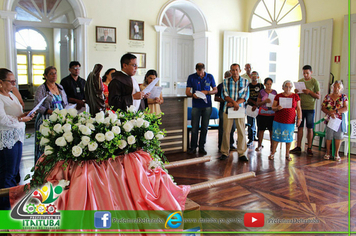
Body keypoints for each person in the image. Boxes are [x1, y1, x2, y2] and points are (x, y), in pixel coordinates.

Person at [0, 68, 35, 210]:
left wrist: (26, 114)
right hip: (6, 140)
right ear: (0, 82)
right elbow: (2, 119)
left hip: (17, 138)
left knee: (15, 173)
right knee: (7, 175)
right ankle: (5, 209)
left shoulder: (10, 95)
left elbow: (17, 113)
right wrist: (21, 119)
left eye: (14, 80)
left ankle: (14, 204)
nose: (14, 83)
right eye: (11, 81)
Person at [34, 66, 68, 163]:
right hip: (46, 118)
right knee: (45, 143)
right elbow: (38, 106)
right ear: (45, 76)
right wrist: (52, 112)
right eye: (51, 73)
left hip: (59, 118)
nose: (54, 75)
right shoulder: (41, 88)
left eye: (55, 73)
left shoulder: (60, 87)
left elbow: (64, 102)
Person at [219, 63, 249, 161]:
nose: (235, 72)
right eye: (233, 70)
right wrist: (233, 102)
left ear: (240, 71)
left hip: (239, 109)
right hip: (228, 110)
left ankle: (242, 153)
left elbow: (245, 96)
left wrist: (235, 103)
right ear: (231, 71)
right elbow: (224, 95)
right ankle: (224, 152)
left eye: (236, 70)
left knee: (241, 131)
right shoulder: (226, 81)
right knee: (226, 132)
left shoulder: (245, 81)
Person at [186, 63, 217, 155]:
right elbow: (187, 91)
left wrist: (207, 92)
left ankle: (202, 147)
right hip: (196, 106)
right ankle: (193, 147)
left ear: (204, 69)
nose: (200, 73)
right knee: (194, 127)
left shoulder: (210, 77)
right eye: (198, 71)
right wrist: (192, 95)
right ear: (196, 69)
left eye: (201, 71)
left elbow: (215, 90)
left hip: (207, 106)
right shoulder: (191, 77)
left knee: (204, 127)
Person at [290, 65, 320, 156]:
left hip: (310, 108)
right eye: (304, 73)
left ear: (311, 72)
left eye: (307, 73)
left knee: (310, 128)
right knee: (300, 127)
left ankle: (309, 147)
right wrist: (296, 91)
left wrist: (309, 92)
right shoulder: (300, 82)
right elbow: (297, 95)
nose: (305, 75)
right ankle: (298, 147)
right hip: (301, 108)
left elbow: (318, 96)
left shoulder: (314, 82)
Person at [269, 80, 301, 161]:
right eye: (286, 86)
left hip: (290, 120)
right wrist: (277, 108)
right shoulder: (278, 96)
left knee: (289, 138)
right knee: (276, 137)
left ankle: (287, 154)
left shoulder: (295, 96)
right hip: (279, 120)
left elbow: (298, 108)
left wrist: (299, 118)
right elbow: (273, 107)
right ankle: (272, 153)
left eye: (290, 87)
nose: (288, 88)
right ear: (283, 87)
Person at [321, 81, 348, 161]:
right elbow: (323, 107)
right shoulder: (327, 96)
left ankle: (336, 153)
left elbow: (346, 108)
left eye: (338, 87)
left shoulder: (344, 97)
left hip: (339, 120)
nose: (336, 88)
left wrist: (335, 112)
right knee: (329, 136)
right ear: (332, 87)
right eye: (335, 86)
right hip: (330, 119)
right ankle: (327, 153)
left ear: (341, 88)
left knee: (338, 137)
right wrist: (329, 113)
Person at [215, 70, 236, 152]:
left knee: (232, 128)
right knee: (222, 128)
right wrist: (226, 101)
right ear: (225, 77)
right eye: (228, 77)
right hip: (223, 110)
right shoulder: (220, 86)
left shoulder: (234, 85)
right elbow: (216, 98)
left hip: (233, 110)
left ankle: (230, 144)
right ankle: (221, 145)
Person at [255, 77, 277, 152]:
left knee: (271, 130)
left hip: (271, 114)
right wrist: (264, 102)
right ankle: (259, 145)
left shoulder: (274, 92)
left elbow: (276, 102)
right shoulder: (261, 92)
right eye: (267, 84)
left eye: (270, 84)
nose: (269, 85)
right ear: (264, 84)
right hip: (262, 113)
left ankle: (272, 146)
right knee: (261, 130)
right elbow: (257, 103)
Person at [246, 71, 264, 146]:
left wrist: (256, 105)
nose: (254, 77)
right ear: (250, 77)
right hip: (250, 107)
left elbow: (263, 96)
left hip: (259, 107)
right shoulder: (248, 85)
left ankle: (259, 141)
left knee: (259, 124)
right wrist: (253, 103)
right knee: (250, 124)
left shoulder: (261, 85)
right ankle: (250, 139)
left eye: (255, 75)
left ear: (258, 77)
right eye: (252, 75)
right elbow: (246, 96)